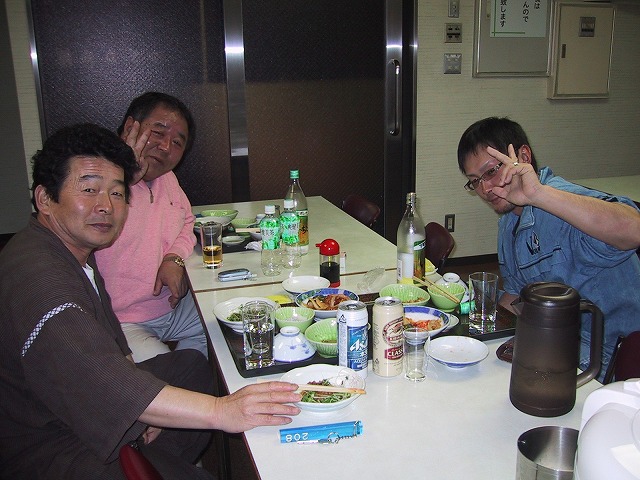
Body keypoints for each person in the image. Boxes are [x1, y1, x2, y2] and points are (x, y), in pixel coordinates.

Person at [0, 124, 301, 479]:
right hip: (49, 442)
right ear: (45, 199)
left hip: (71, 406)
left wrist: (142, 412)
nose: (105, 206)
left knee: (191, 368)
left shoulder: (71, 251)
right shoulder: (40, 279)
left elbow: (115, 348)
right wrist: (223, 411)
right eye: (89, 189)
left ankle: (157, 458)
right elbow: (100, 377)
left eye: (116, 193)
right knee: (198, 426)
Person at [457, 116, 640, 381]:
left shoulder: (560, 202)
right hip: (555, 343)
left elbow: (634, 230)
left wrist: (538, 194)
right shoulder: (509, 220)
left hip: (610, 360)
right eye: (475, 181)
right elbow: (514, 294)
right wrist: (474, 329)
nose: (485, 188)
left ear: (523, 156)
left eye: (491, 171)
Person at [94, 92, 206, 362]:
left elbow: (187, 221)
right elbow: (89, 229)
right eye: (158, 132)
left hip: (172, 308)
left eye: (177, 142)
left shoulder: (168, 179)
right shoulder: (95, 180)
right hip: (121, 320)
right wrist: (123, 179)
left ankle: (190, 367)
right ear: (129, 127)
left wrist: (173, 259)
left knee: (226, 326)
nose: (166, 147)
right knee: (163, 379)